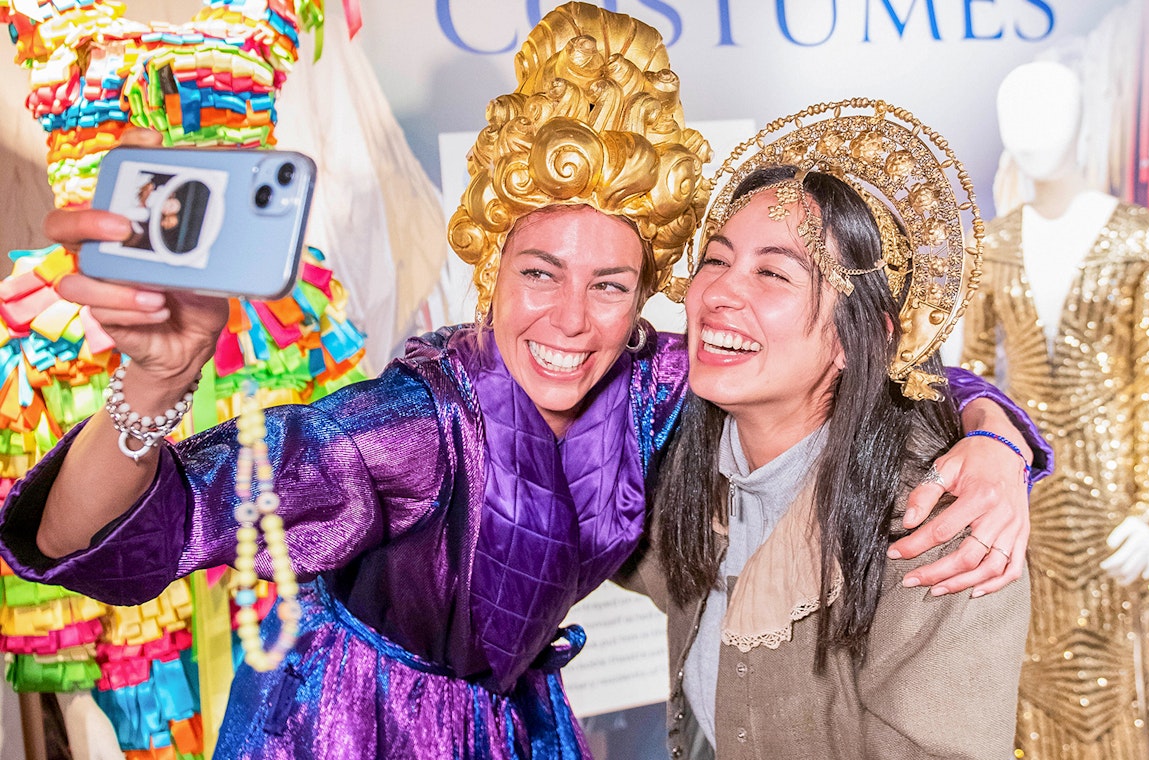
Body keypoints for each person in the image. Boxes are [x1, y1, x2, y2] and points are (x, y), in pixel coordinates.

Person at [1, 7, 1041, 758]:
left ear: (643, 299)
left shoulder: (651, 385)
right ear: (490, 267)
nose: (570, 321)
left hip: (516, 723)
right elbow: (104, 540)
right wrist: (152, 383)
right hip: (352, 732)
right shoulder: (403, 429)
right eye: (538, 274)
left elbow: (874, 365)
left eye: (611, 284)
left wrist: (996, 440)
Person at [620, 100, 1039, 759]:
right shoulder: (674, 458)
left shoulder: (939, 535)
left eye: (772, 273)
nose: (720, 294)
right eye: (716, 260)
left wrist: (996, 438)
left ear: (861, 336)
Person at [963, 62, 1149, 760]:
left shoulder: (1144, 239)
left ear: (1085, 118)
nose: (1028, 132)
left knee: (1121, 671)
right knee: (1029, 660)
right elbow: (969, 382)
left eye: (1046, 112)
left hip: (1116, 498)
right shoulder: (991, 245)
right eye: (1013, 114)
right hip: (1026, 492)